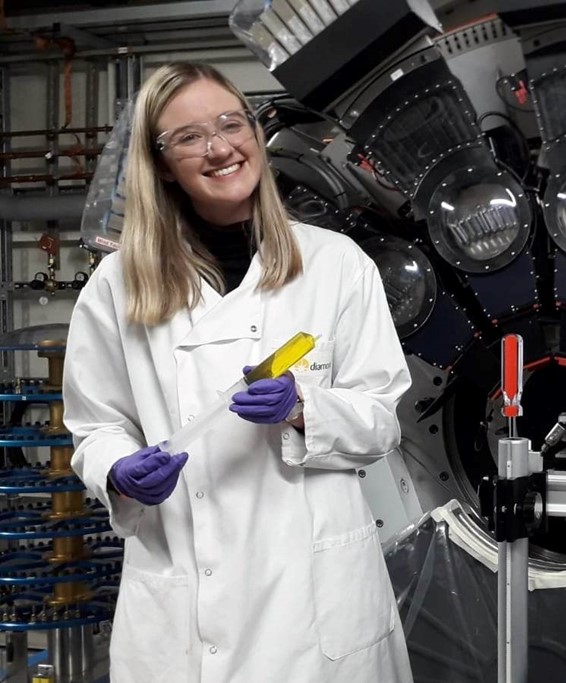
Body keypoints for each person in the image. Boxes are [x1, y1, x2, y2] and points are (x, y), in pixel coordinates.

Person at [63, 62, 414, 683]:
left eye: (231, 124)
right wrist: (117, 471)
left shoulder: (335, 265)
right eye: (190, 136)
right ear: (162, 162)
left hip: (314, 606)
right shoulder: (117, 286)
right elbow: (95, 426)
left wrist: (305, 408)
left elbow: (382, 419)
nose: (220, 148)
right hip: (185, 598)